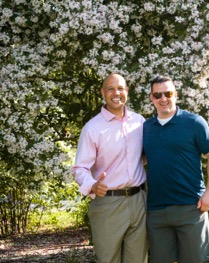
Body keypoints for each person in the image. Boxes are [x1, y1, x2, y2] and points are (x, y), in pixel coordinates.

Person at [143, 76, 209, 263]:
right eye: (158, 94)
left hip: (191, 207)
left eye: (168, 93)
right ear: (151, 98)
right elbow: (140, 159)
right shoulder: (146, 128)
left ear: (176, 95)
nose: (163, 99)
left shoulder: (194, 122)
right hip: (156, 210)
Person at [71, 73, 148, 263]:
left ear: (127, 92)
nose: (116, 93)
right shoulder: (93, 128)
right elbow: (79, 168)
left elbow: (146, 155)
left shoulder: (140, 122)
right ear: (103, 93)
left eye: (121, 88)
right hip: (108, 203)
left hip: (140, 201)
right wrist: (92, 185)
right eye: (111, 89)